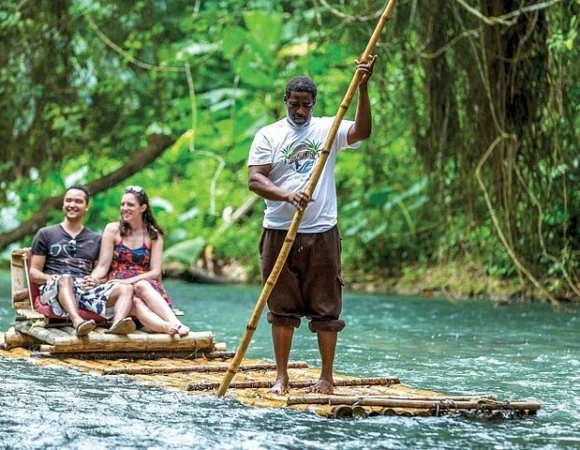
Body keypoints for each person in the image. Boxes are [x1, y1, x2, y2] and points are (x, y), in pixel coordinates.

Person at [248, 56, 377, 394]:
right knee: (281, 307)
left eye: (306, 105)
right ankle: (281, 376)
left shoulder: (327, 129)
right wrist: (286, 195)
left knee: (326, 307)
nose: (301, 111)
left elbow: (362, 131)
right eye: (295, 104)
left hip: (321, 232)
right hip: (279, 231)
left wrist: (362, 88)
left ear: (314, 103)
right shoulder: (268, 135)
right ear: (285, 102)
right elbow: (255, 180)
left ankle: (326, 378)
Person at [29, 185, 136, 336]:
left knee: (126, 288)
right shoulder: (45, 234)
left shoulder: (96, 239)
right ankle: (78, 322)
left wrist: (97, 282)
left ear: (86, 207)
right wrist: (50, 278)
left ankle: (118, 323)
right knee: (65, 279)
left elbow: (102, 271)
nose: (72, 205)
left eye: (78, 201)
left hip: (85, 290)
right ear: (63, 204)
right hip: (54, 290)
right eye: (68, 201)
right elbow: (33, 271)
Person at [89, 185, 190, 337]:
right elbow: (103, 266)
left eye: (130, 205)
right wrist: (93, 279)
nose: (124, 208)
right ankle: (166, 327)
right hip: (118, 285)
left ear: (142, 208)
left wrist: (130, 281)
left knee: (141, 286)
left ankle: (175, 323)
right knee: (135, 301)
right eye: (122, 204)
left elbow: (155, 272)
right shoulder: (112, 230)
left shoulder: (153, 234)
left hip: (146, 283)